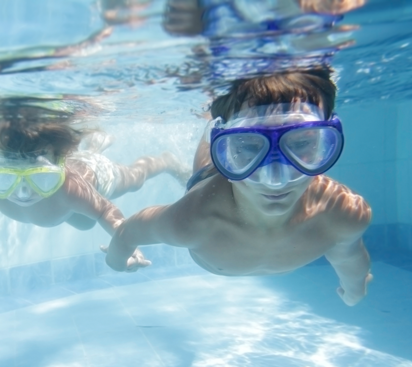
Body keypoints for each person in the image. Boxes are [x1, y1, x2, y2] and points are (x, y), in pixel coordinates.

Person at [104, 67, 373, 306]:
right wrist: (117, 263)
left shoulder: (344, 212)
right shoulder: (193, 219)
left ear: (325, 142)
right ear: (226, 148)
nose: (275, 178)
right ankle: (197, 141)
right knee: (205, 162)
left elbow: (349, 256)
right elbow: (131, 231)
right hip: (210, 180)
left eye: (301, 143)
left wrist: (355, 289)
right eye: (247, 145)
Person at [0, 96, 190, 236]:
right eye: (5, 177)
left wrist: (123, 239)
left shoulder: (71, 187)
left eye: (41, 177)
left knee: (134, 179)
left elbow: (106, 210)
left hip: (93, 176)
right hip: (65, 204)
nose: (22, 193)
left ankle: (165, 160)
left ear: (58, 163)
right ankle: (93, 145)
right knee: (82, 223)